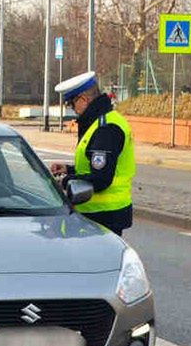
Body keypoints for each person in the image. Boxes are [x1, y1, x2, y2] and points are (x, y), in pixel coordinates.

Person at [50, 71, 136, 236]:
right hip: (100, 214)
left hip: (104, 214)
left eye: (71, 104)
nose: (72, 109)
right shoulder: (100, 122)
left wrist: (66, 182)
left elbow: (101, 178)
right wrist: (69, 170)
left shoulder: (106, 129)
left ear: (83, 99)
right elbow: (96, 165)